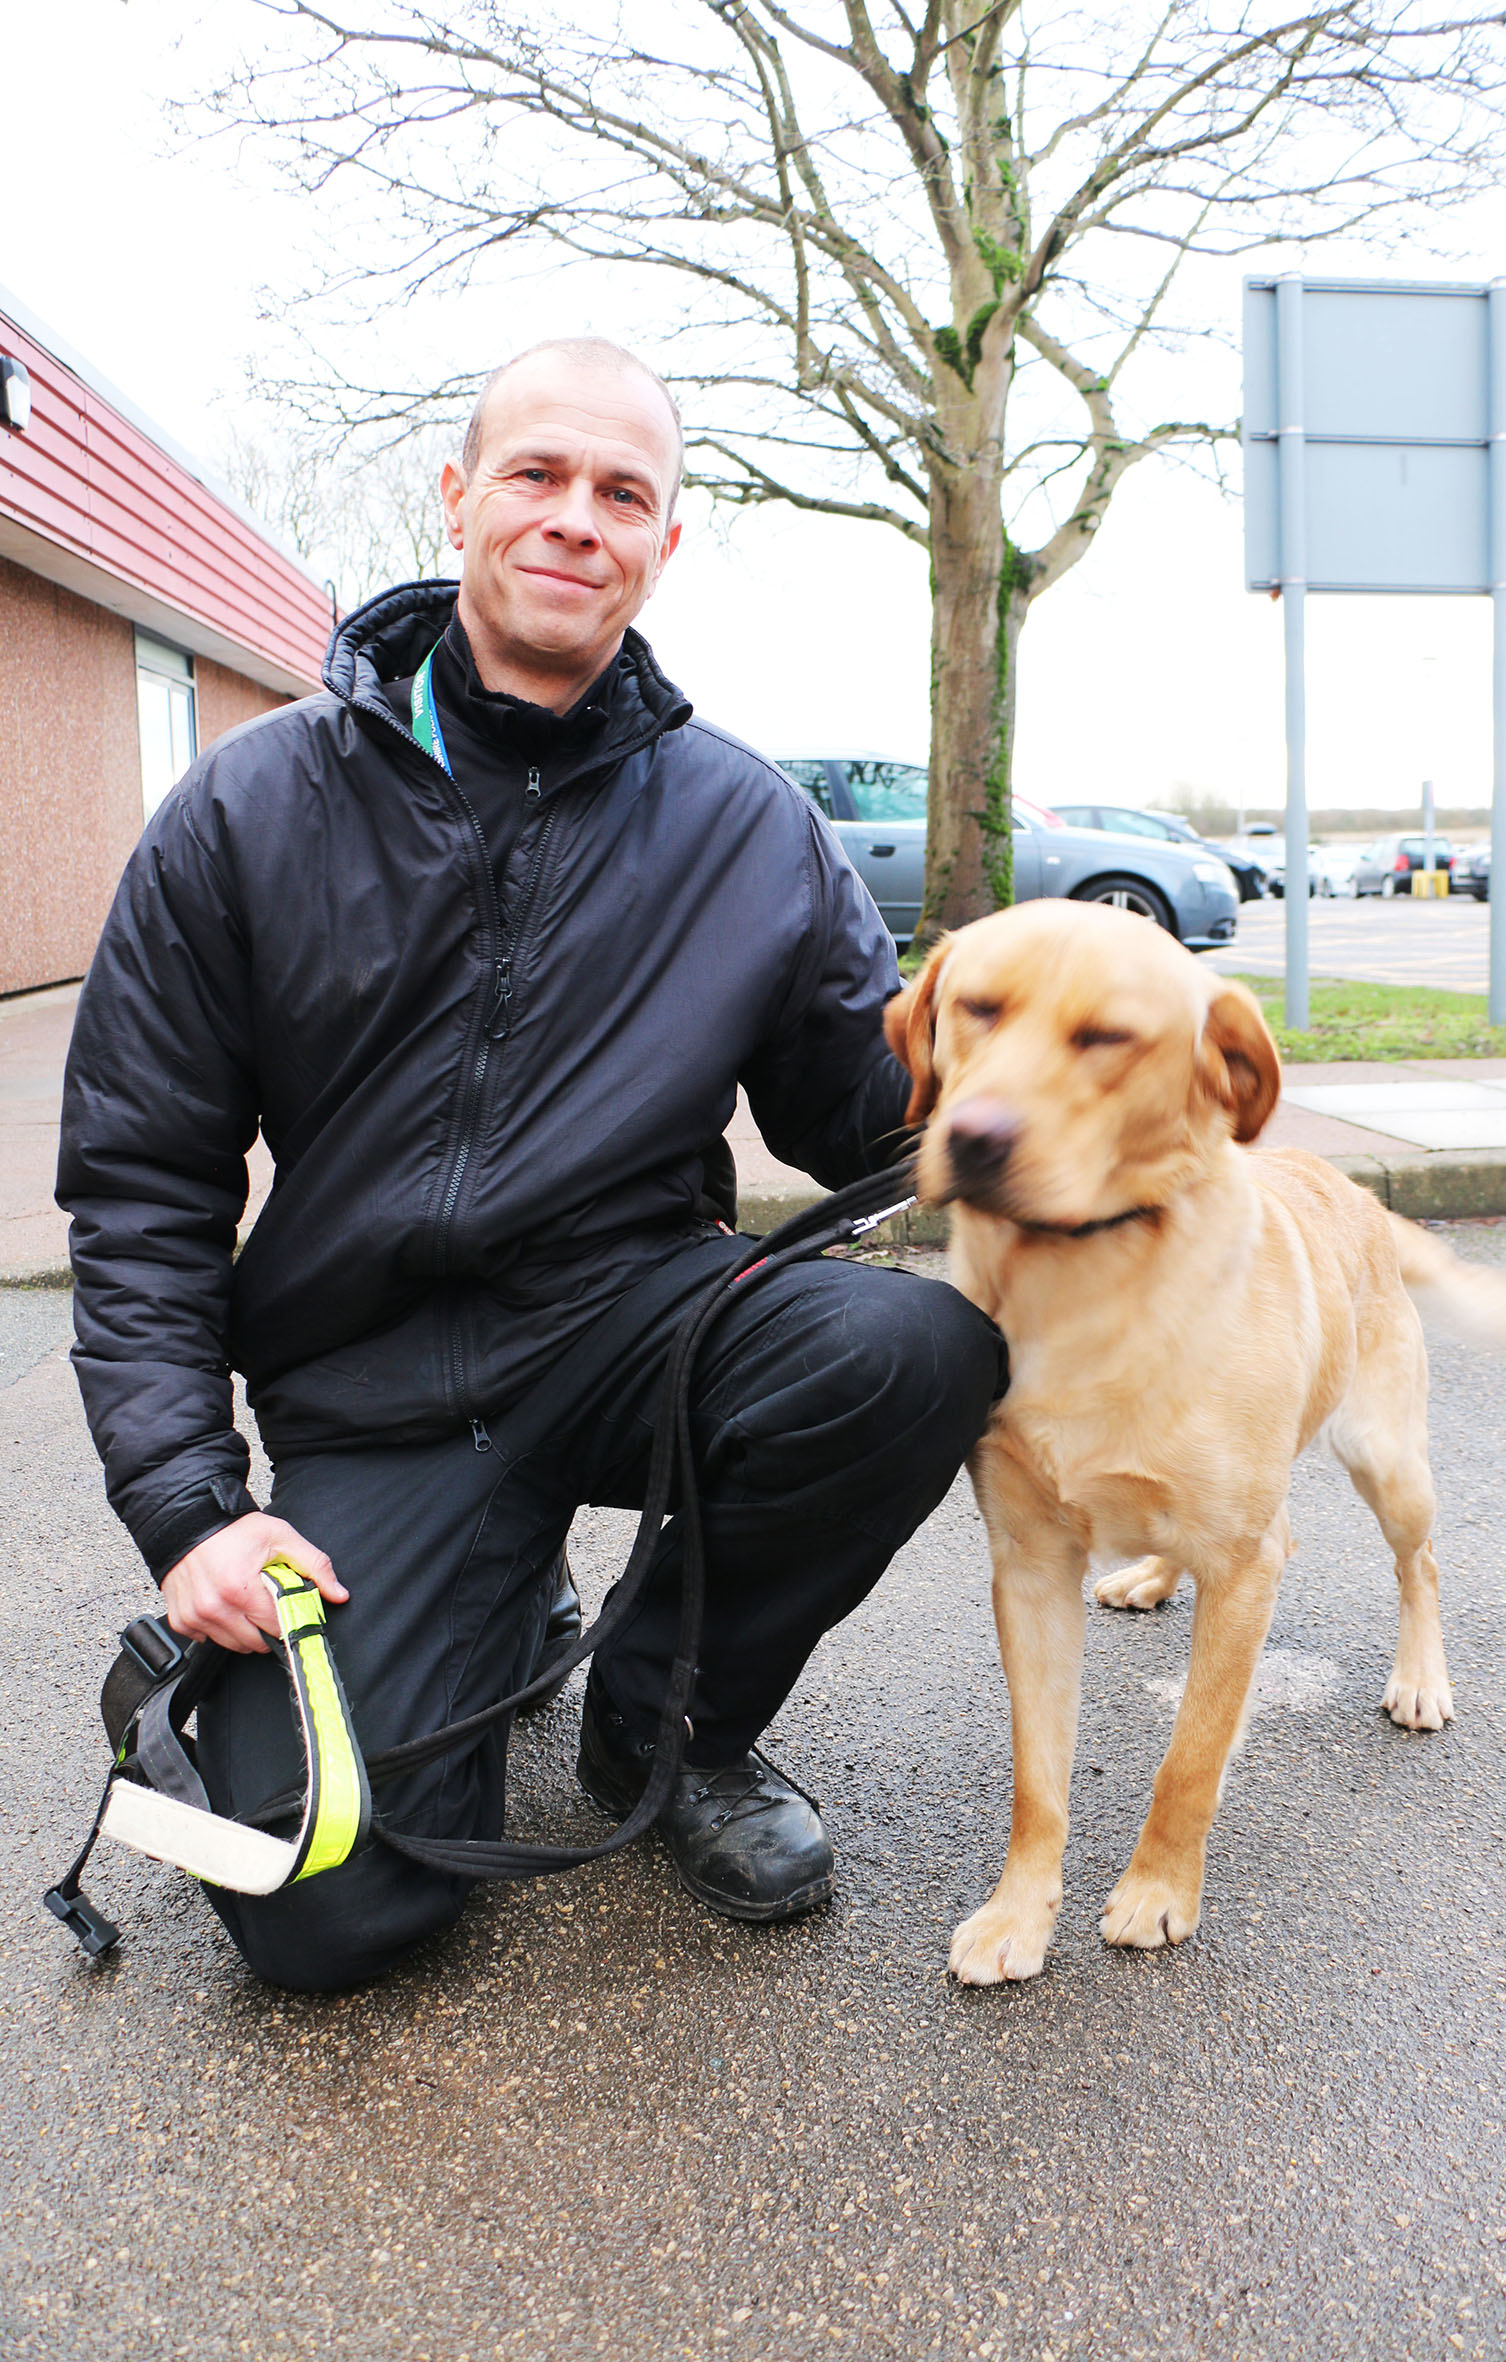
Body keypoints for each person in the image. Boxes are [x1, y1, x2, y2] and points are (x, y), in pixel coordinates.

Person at [57, 337, 1006, 1992]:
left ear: (663, 542)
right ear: (460, 498)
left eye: (622, 493)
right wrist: (190, 1513)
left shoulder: (744, 825)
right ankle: (501, 1608)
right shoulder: (243, 812)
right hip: (375, 1391)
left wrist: (1049, 1051)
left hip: (643, 1325)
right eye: (539, 477)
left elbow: (864, 1114)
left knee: (913, 1346)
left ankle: (668, 1727)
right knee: (325, 1916)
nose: (577, 520)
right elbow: (142, 1190)